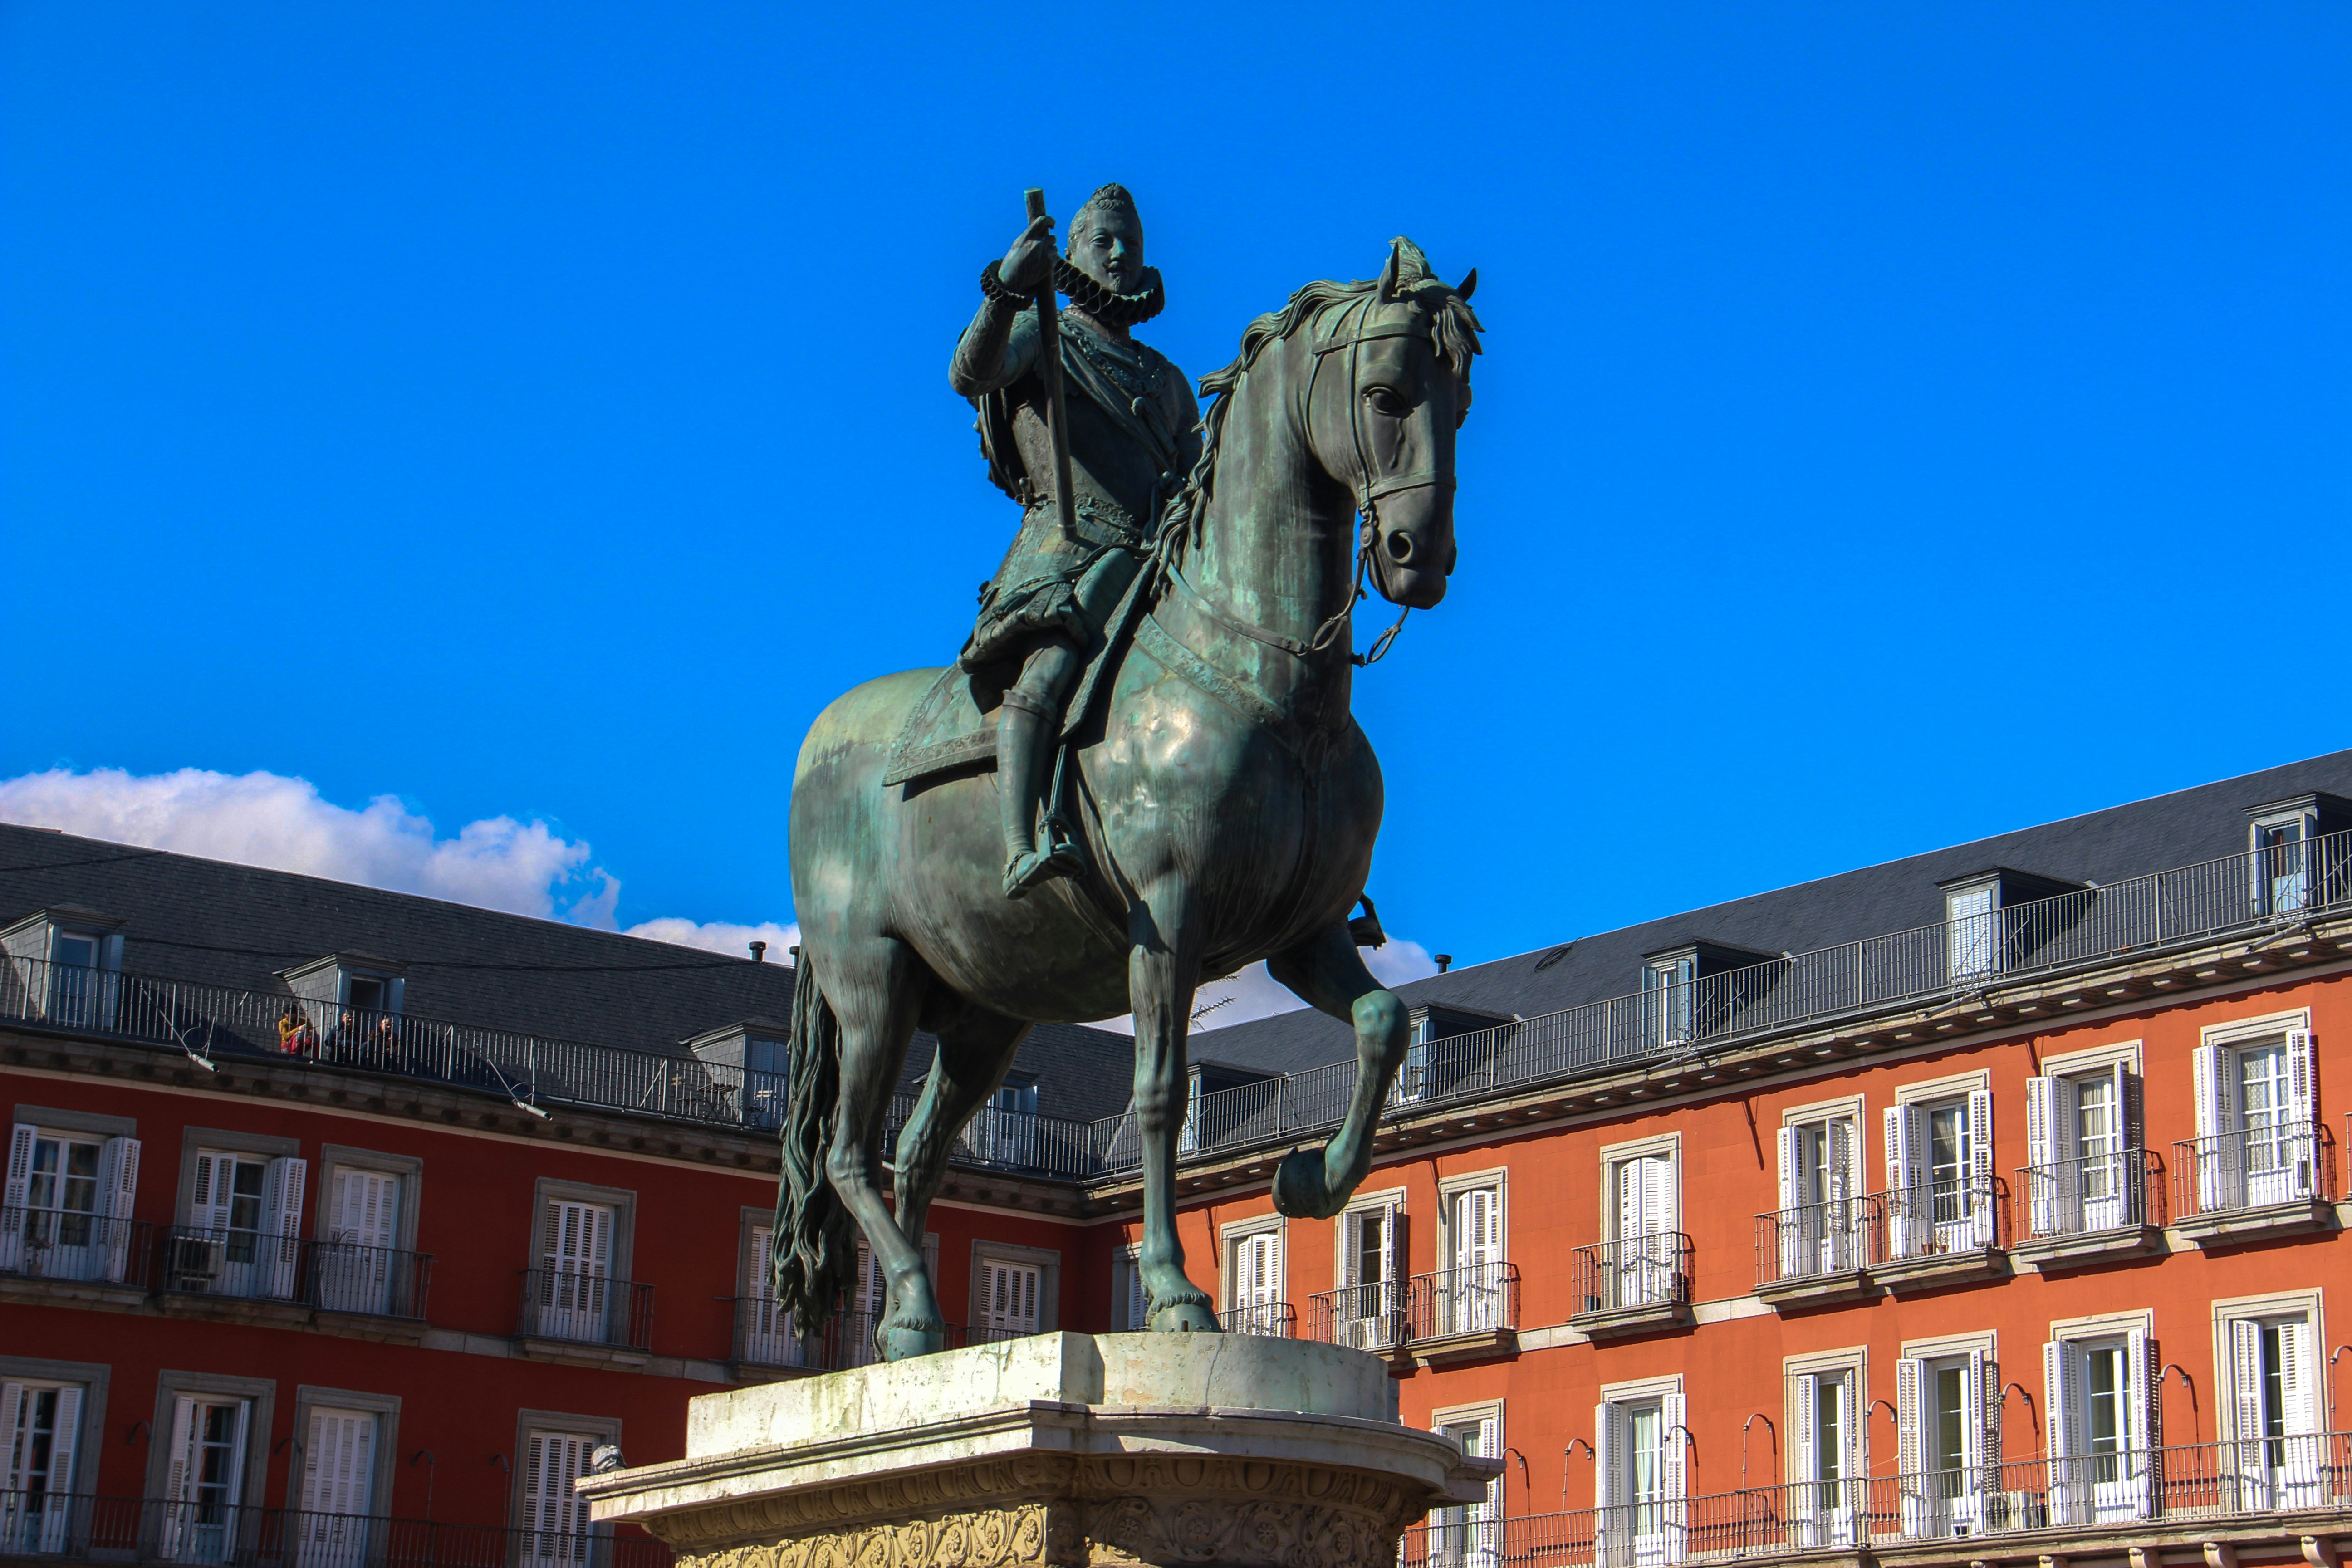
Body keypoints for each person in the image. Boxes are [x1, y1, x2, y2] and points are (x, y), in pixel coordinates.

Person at [950, 183, 1201, 897]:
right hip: (1065, 553)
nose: (1121, 254)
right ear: (1069, 253)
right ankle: (1019, 843)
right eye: (1104, 241)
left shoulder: (1168, 379)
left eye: (1132, 242)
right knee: (1052, 667)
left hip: (1150, 563)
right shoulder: (1042, 333)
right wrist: (1005, 290)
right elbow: (970, 373)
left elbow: (1195, 476)